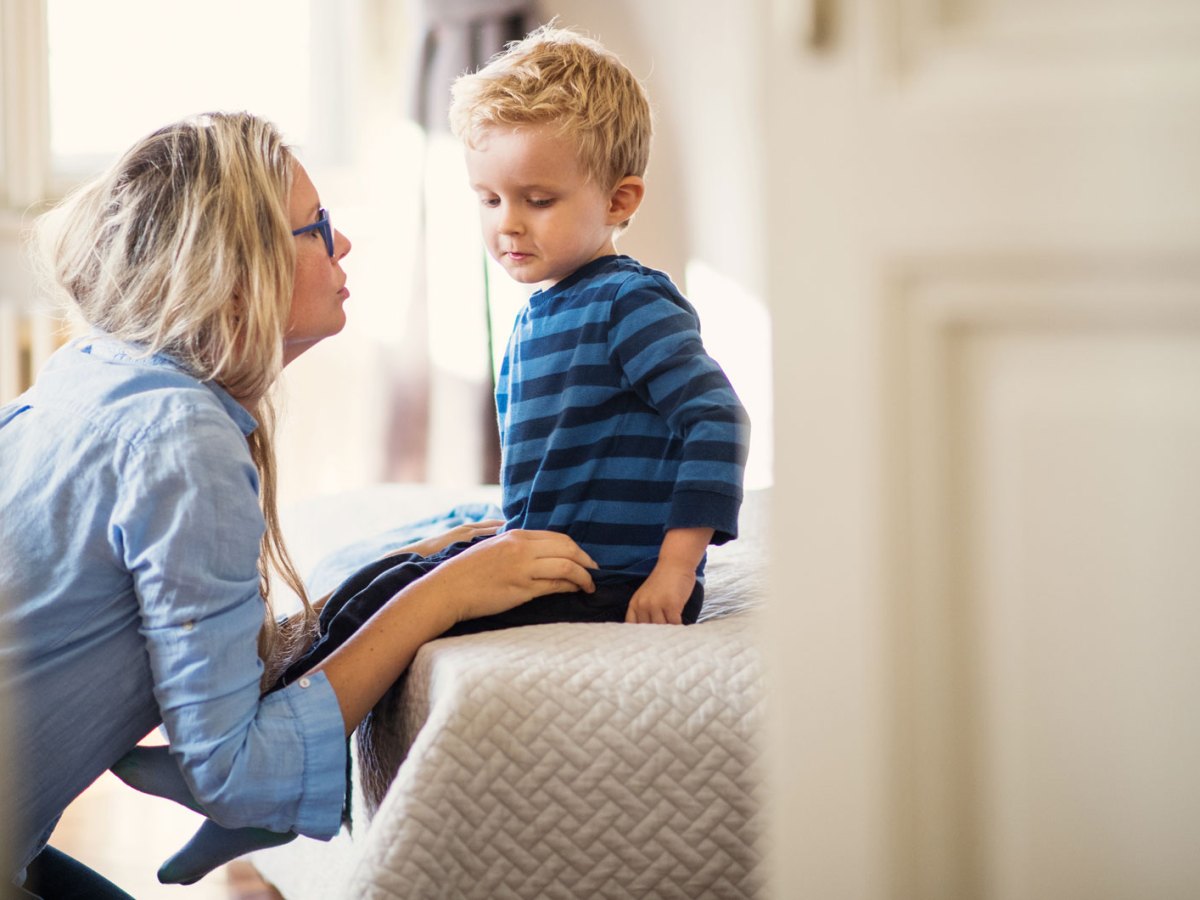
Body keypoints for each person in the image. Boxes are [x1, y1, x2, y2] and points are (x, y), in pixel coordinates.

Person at [111, 21, 752, 882]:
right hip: (557, 550)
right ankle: (251, 772)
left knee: (401, 615)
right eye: (489, 200)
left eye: (538, 199)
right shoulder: (548, 308)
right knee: (380, 580)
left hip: (609, 579)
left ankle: (261, 796)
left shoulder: (630, 305)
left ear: (621, 200)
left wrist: (676, 569)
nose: (508, 225)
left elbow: (716, 419)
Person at [0, 111, 598, 899]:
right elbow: (235, 770)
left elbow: (210, 656)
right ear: (239, 271)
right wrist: (446, 594)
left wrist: (400, 570)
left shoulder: (94, 371)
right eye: (317, 227)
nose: (341, 245)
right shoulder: (179, 436)